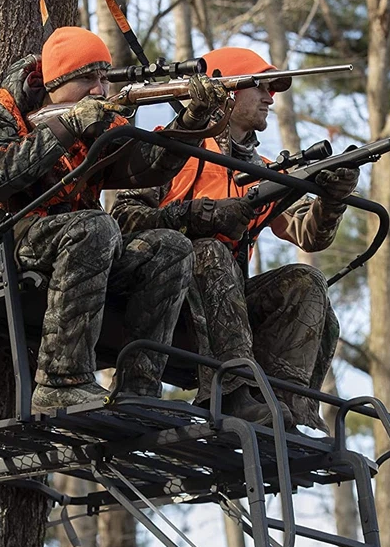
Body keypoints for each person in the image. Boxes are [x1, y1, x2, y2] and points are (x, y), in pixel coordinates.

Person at [0, 26, 227, 414]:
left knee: (170, 248)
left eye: (104, 79)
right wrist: (68, 127)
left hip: (75, 244)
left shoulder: (99, 122)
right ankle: (60, 382)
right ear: (55, 82)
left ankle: (139, 391)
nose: (99, 89)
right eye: (87, 79)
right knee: (95, 226)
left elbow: (145, 167)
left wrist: (192, 121)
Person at [111, 47, 358, 430]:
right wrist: (196, 217)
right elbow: (125, 219)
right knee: (209, 250)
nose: (270, 98)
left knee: (306, 281)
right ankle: (231, 392)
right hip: (161, 295)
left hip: (225, 307)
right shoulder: (172, 150)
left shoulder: (264, 172)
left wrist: (332, 200)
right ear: (227, 89)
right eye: (260, 86)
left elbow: (307, 234)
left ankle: (286, 406)